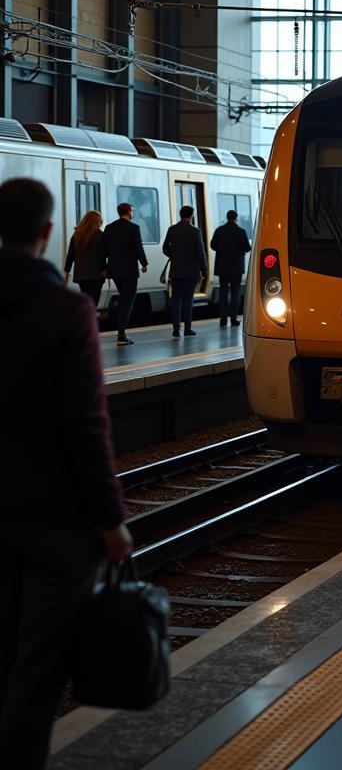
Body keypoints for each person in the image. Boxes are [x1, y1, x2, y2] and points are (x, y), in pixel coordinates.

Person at [0, 178, 132, 769]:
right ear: (49, 234)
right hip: (53, 522)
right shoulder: (66, 311)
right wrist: (111, 522)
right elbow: (86, 427)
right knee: (37, 669)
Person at [102, 201, 148, 346]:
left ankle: (122, 328)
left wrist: (105, 267)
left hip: (114, 270)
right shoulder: (134, 228)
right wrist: (144, 263)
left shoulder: (109, 227)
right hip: (129, 270)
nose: (133, 213)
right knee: (127, 301)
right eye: (132, 210)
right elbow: (138, 247)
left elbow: (104, 249)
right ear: (128, 211)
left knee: (124, 299)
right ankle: (121, 334)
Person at [162, 205, 207, 339]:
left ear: (180, 214)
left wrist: (174, 255)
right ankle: (188, 329)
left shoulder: (172, 229)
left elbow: (165, 248)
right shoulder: (195, 231)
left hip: (176, 271)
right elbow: (200, 252)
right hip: (191, 272)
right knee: (188, 300)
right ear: (191, 215)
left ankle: (176, 329)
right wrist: (203, 269)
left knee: (176, 300)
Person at [210, 210, 251, 327]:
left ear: (227, 217)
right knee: (235, 293)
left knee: (223, 293)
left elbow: (212, 245)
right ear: (236, 218)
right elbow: (247, 248)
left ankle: (223, 319)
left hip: (222, 267)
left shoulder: (219, 231)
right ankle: (233, 318)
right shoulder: (241, 231)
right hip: (236, 268)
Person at [64, 209, 106, 306]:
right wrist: (104, 269)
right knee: (93, 302)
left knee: (86, 299)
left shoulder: (77, 235)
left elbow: (71, 255)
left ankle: (85, 318)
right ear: (97, 221)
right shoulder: (100, 235)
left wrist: (67, 271)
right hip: (95, 274)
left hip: (81, 274)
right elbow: (101, 255)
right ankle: (89, 319)